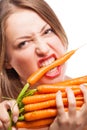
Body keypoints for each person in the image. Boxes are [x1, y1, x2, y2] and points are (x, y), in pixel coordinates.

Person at [0, 0, 87, 130]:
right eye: (24, 43)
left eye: (47, 31)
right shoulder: (6, 118)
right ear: (6, 61)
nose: (43, 49)